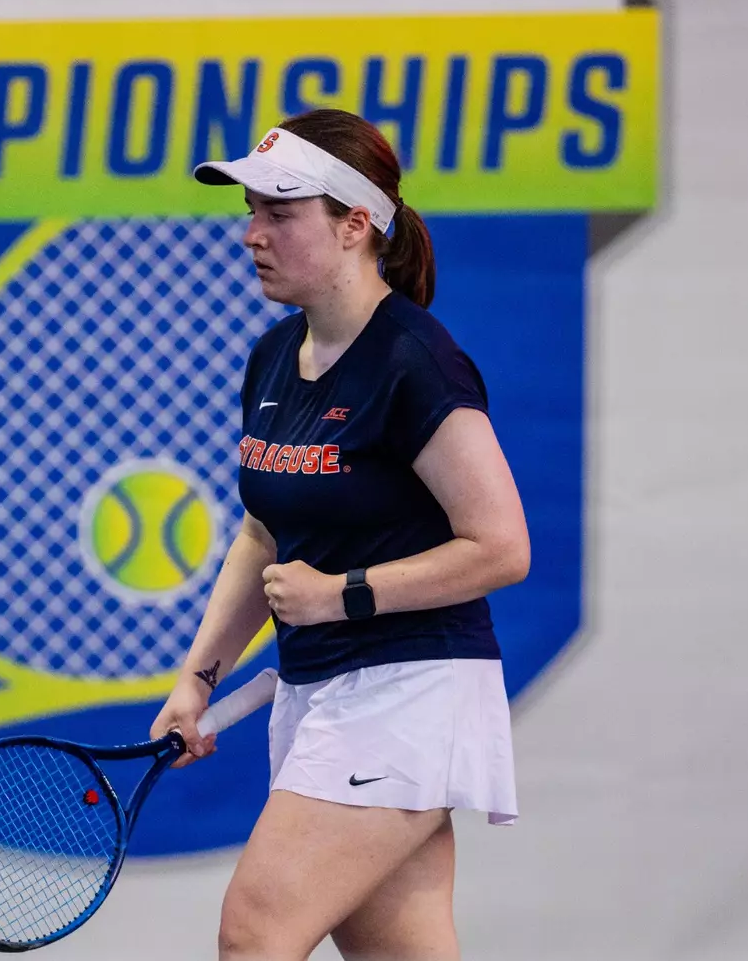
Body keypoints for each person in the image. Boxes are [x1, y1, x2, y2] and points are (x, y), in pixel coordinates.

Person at [149, 108, 531, 961]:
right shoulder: (274, 357)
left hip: (409, 693)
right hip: (323, 693)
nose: (252, 235)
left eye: (280, 215)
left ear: (356, 225)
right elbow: (261, 532)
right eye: (250, 213)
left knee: (254, 935)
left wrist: (341, 595)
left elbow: (502, 547)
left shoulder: (417, 362)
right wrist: (198, 679)